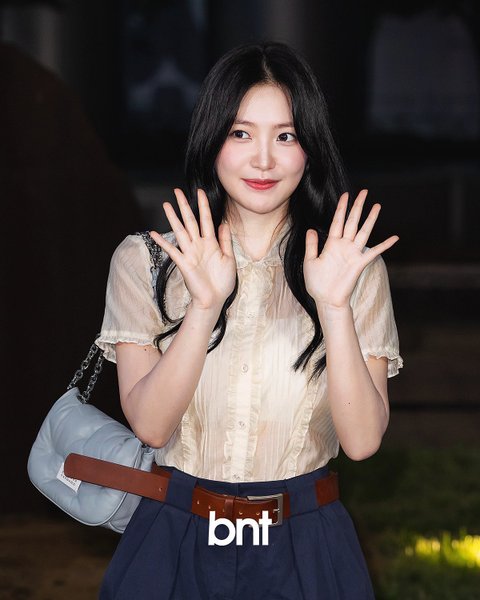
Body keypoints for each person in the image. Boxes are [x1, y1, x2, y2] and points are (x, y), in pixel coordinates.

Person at [96, 41, 402, 599]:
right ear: (211, 138)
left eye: (285, 136)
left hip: (305, 542)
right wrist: (204, 306)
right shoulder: (147, 260)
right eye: (241, 133)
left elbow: (361, 442)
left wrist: (334, 307)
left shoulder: (351, 268)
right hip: (176, 535)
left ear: (310, 147)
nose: (263, 160)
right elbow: (151, 427)